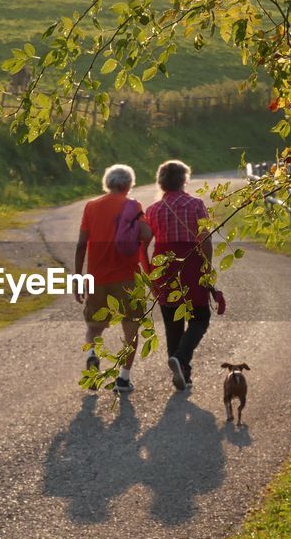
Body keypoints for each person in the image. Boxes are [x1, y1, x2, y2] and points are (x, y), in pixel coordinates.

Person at [75, 164, 151, 392]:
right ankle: (123, 379)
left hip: (97, 277)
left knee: (94, 327)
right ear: (128, 184)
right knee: (130, 328)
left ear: (107, 183)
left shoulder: (91, 207)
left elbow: (81, 245)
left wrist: (78, 278)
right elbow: (146, 235)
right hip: (127, 277)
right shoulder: (133, 206)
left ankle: (92, 355)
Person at [145, 159, 213, 390]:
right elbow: (205, 238)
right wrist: (207, 267)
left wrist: (149, 272)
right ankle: (182, 359)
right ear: (184, 180)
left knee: (172, 321)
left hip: (164, 267)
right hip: (191, 264)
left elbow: (142, 244)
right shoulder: (196, 204)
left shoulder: (153, 210)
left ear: (161, 182)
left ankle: (181, 368)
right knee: (200, 317)